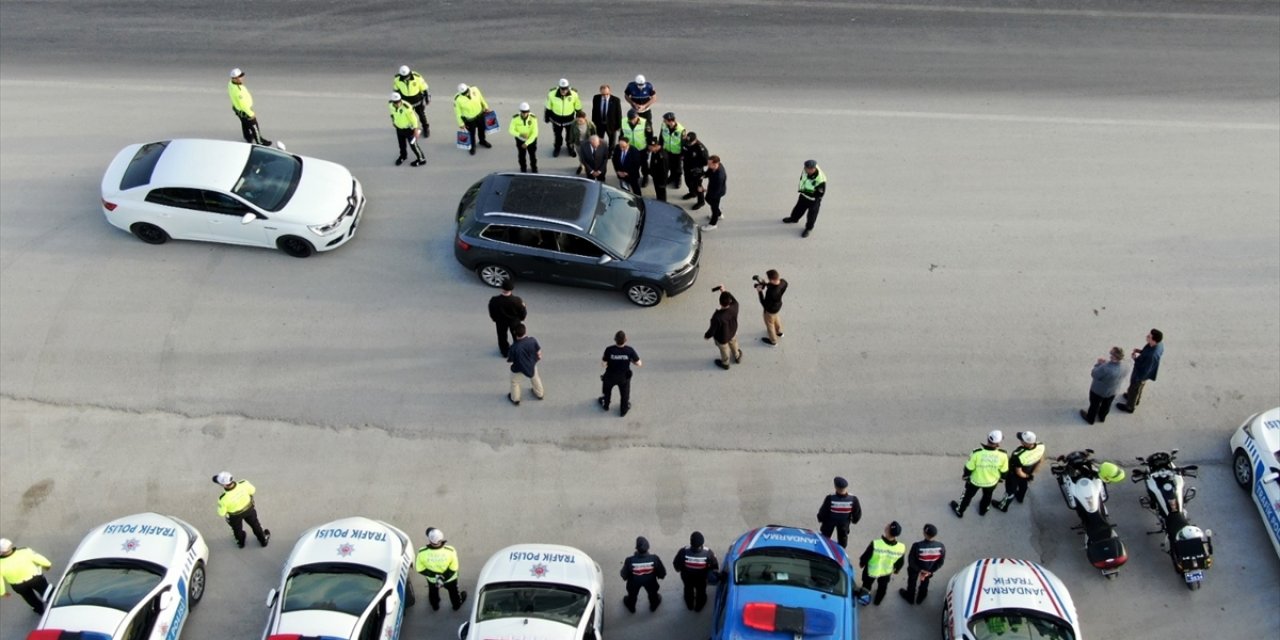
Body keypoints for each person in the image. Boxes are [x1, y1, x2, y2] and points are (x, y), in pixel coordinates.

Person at [949, 431, 1009, 518]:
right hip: (991, 482)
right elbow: (1004, 471)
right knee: (987, 496)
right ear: (998, 443)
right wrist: (1001, 479)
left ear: (988, 439)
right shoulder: (1003, 455)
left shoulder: (977, 453)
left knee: (967, 496)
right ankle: (983, 510)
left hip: (975, 481)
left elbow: (969, 468)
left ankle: (960, 511)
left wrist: (965, 476)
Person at [213, 471, 270, 548]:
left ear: (223, 485)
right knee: (255, 524)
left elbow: (221, 513)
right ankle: (263, 540)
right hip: (249, 509)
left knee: (237, 529)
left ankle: (240, 542)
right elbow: (253, 490)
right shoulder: (244, 483)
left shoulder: (222, 499)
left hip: (235, 516)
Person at [416, 527, 467, 611]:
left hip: (433, 580)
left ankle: (435, 606)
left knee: (433, 592)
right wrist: (443, 578)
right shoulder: (450, 550)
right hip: (450, 579)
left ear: (429, 540)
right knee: (454, 593)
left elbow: (419, 569)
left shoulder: (422, 552)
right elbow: (454, 567)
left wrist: (436, 577)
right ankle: (456, 605)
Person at [994, 431, 1046, 512]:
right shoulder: (1041, 446)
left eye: (1022, 440)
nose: (1020, 441)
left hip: (1014, 475)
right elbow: (1040, 459)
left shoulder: (1018, 455)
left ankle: (1003, 506)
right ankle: (1020, 498)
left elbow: (1018, 472)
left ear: (1026, 443)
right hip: (1028, 471)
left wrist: (1026, 476)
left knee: (1010, 491)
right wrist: (1030, 474)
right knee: (1023, 485)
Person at [857, 521, 905, 606]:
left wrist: (862, 563)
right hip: (886, 572)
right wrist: (897, 569)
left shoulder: (876, 544)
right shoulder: (901, 547)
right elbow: (900, 561)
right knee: (883, 587)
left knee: (866, 585)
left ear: (887, 530)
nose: (887, 525)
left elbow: (866, 555)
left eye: (888, 525)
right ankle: (878, 601)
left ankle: (864, 600)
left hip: (871, 571)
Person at [1117, 329, 1164, 413]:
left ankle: (1130, 407)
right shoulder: (1159, 344)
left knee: (1134, 387)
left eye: (1149, 336)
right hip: (1147, 372)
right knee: (1138, 388)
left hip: (1140, 375)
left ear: (1154, 340)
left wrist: (1135, 359)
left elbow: (1144, 369)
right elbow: (1147, 352)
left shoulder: (1151, 356)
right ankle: (1135, 399)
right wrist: (1141, 351)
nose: (1147, 336)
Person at [0, 538, 52, 613]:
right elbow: (39, 558)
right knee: (46, 591)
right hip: (35, 579)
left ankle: (39, 610)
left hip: (18, 586)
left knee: (29, 598)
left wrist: (2, 592)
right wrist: (47, 565)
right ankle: (53, 603)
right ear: (11, 545)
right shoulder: (24, 551)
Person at [672, 531, 718, 612]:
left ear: (691, 542)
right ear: (702, 542)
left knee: (688, 590)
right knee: (701, 591)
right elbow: (714, 566)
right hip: (701, 578)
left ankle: (689, 604)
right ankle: (699, 606)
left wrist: (679, 569)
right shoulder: (708, 553)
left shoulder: (683, 551)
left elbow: (676, 564)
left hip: (687, 578)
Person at [1081, 346, 1129, 425]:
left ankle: (1090, 418)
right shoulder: (1126, 366)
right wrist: (1105, 363)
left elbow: (1094, 374)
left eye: (1111, 353)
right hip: (1113, 390)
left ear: (1113, 356)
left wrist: (1098, 364)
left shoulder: (1105, 368)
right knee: (1107, 404)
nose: (1110, 354)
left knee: (1094, 404)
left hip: (1099, 390)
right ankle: (1102, 416)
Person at [899, 524, 945, 605]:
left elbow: (911, 561)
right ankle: (921, 597)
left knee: (912, 582)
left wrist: (919, 570)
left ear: (924, 533)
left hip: (915, 569)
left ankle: (910, 597)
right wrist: (930, 571)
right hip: (929, 570)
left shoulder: (917, 546)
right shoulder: (941, 547)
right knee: (925, 582)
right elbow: (940, 562)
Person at [600, 330, 642, 416]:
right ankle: (623, 409)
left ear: (615, 339)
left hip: (610, 376)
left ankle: (606, 405)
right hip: (624, 377)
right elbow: (639, 363)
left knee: (607, 391)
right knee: (624, 393)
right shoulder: (629, 350)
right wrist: (631, 361)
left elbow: (603, 364)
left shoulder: (609, 349)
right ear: (626, 339)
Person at [782, 159, 827, 238]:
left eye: (810, 169)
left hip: (813, 200)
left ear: (814, 168)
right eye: (807, 168)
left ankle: (808, 228)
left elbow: (820, 194)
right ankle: (794, 219)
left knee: (811, 215)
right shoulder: (805, 171)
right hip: (804, 195)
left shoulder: (820, 180)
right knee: (798, 208)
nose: (808, 170)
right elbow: (803, 179)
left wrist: (807, 193)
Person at [621, 536, 666, 613]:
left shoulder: (630, 560)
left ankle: (631, 607)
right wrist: (661, 576)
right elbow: (662, 572)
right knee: (653, 594)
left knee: (632, 595)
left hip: (634, 582)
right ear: (648, 547)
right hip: (650, 581)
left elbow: (624, 574)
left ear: (637, 548)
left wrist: (625, 577)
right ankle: (654, 605)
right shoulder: (654, 558)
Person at [227, 68, 271, 146]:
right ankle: (259, 141)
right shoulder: (238, 91)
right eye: (240, 76)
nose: (242, 78)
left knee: (244, 123)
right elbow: (243, 105)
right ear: (235, 79)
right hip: (245, 111)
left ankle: (247, 137)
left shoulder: (231, 84)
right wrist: (251, 114)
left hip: (237, 109)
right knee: (254, 126)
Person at [816, 476, 862, 548]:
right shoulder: (853, 499)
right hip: (844, 523)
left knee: (825, 537)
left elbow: (824, 511)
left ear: (836, 487)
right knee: (842, 539)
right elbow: (857, 512)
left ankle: (823, 550)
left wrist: (820, 518)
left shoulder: (830, 498)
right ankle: (841, 552)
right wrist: (854, 520)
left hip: (829, 522)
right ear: (846, 488)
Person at [704, 287, 742, 370]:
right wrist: (724, 291)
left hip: (722, 338)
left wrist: (707, 336)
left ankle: (725, 363)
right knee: (734, 344)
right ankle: (737, 356)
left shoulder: (717, 317)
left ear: (720, 303)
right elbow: (733, 299)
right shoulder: (735, 306)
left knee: (724, 350)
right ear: (730, 301)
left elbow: (712, 330)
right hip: (732, 332)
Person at [488, 279, 527, 358]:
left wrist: (494, 319)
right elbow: (522, 312)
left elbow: (491, 311)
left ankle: (504, 352)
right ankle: (517, 350)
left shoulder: (494, 300)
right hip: (514, 322)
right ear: (511, 289)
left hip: (501, 321)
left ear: (502, 288)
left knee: (501, 336)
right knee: (516, 336)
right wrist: (522, 318)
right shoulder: (517, 300)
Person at [506, 323, 543, 405]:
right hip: (531, 365)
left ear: (515, 334)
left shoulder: (514, 347)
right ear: (525, 331)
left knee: (515, 382)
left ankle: (515, 399)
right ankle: (539, 393)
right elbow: (538, 351)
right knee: (535, 378)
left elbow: (510, 359)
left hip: (518, 368)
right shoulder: (532, 340)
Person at [544, 78, 582, 157]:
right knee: (557, 135)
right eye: (562, 89)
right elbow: (548, 107)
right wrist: (547, 117)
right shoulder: (552, 94)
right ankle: (557, 147)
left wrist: (580, 118)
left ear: (568, 87)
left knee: (570, 135)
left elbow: (578, 107)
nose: (564, 91)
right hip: (556, 119)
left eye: (566, 89)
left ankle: (570, 147)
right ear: (559, 87)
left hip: (569, 119)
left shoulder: (574, 94)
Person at [389, 92, 426, 167]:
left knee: (413, 145)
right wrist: (393, 121)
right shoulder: (390, 105)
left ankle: (421, 159)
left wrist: (415, 129)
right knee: (401, 144)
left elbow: (414, 119)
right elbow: (392, 114)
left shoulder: (407, 107)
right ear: (392, 102)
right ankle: (403, 156)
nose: (398, 103)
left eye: (399, 101)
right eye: (395, 102)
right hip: (399, 128)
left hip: (409, 129)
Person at [454, 83, 492, 156]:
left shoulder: (475, 89)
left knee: (482, 129)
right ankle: (472, 146)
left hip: (480, 115)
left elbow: (481, 98)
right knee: (471, 134)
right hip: (470, 120)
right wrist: (461, 123)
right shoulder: (457, 99)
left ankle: (482, 141)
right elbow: (457, 113)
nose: (466, 94)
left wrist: (486, 107)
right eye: (464, 93)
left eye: (466, 91)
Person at [393, 64, 430, 138]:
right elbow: (396, 90)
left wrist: (427, 97)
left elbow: (424, 88)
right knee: (408, 116)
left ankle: (426, 128)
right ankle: (411, 129)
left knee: (421, 115)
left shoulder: (417, 77)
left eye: (407, 76)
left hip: (417, 99)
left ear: (409, 73)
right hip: (405, 100)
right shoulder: (397, 79)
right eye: (404, 77)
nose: (406, 78)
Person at [756, 269, 787, 345]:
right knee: (776, 318)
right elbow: (774, 285)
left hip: (770, 310)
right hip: (778, 306)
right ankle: (779, 332)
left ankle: (773, 341)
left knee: (770, 324)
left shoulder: (771, 292)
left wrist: (759, 291)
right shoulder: (783, 282)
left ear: (772, 280)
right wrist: (766, 284)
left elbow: (764, 304)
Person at [508, 102, 539, 173]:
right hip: (520, 140)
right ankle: (523, 168)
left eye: (526, 112)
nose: (525, 113)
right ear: (520, 111)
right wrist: (520, 134)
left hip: (531, 140)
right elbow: (511, 130)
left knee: (532, 156)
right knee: (521, 156)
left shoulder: (533, 118)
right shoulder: (515, 118)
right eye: (523, 112)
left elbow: (535, 133)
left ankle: (534, 168)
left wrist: (527, 143)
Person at [680, 131, 709, 207]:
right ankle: (692, 193)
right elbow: (683, 151)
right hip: (687, 167)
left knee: (698, 186)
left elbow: (706, 161)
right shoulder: (685, 142)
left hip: (696, 170)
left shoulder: (700, 148)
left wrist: (696, 165)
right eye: (688, 142)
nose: (688, 144)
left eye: (690, 142)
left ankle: (701, 201)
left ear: (695, 140)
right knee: (688, 182)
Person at [659, 113, 686, 189]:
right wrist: (660, 147)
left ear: (670, 121)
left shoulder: (681, 130)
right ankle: (671, 177)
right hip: (667, 150)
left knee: (677, 168)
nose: (664, 121)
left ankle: (678, 180)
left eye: (665, 120)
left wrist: (682, 155)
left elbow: (683, 143)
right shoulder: (664, 126)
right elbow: (661, 137)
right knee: (669, 166)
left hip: (677, 152)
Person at [700, 155, 727, 229]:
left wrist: (704, 190)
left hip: (717, 193)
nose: (708, 165)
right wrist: (704, 175)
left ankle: (713, 224)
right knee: (708, 199)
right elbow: (709, 171)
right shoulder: (714, 166)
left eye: (709, 164)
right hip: (712, 189)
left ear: (715, 164)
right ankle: (719, 214)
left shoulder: (719, 176)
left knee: (714, 207)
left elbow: (716, 190)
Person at [566, 111, 597, 175]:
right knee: (581, 156)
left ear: (585, 118)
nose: (579, 122)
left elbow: (594, 134)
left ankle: (589, 168)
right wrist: (571, 142)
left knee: (589, 156)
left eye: (581, 121)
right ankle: (582, 165)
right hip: (578, 143)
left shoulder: (590, 125)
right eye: (578, 120)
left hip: (588, 144)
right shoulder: (573, 124)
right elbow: (571, 134)